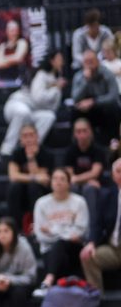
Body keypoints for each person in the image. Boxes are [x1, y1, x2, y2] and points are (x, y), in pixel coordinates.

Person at [0, 49, 66, 157]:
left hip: (33, 111)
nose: (62, 62)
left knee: (49, 116)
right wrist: (55, 89)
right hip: (17, 105)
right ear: (52, 61)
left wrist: (56, 88)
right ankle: (6, 150)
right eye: (59, 59)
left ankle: (31, 147)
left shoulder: (57, 79)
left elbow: (53, 107)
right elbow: (38, 98)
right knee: (23, 112)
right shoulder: (41, 74)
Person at [33, 168, 89, 295]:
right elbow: (40, 235)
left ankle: (48, 281)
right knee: (58, 248)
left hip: (73, 248)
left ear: (69, 183)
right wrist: (66, 233)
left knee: (61, 245)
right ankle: (55, 282)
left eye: (62, 179)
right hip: (49, 248)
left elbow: (81, 230)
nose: (58, 182)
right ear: (50, 182)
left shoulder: (79, 202)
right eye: (55, 179)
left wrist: (52, 230)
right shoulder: (41, 203)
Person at [80, 158, 121, 291]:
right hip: (114, 248)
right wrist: (91, 242)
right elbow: (97, 223)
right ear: (113, 175)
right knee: (88, 256)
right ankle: (95, 297)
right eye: (118, 171)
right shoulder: (107, 195)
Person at [6, 123, 53, 230]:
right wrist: (34, 178)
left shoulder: (46, 154)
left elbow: (44, 179)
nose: (28, 139)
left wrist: (31, 158)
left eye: (31, 135)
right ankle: (16, 228)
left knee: (33, 186)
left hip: (41, 192)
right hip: (21, 194)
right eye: (25, 136)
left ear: (37, 136)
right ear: (20, 139)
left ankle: (36, 225)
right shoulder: (17, 153)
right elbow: (13, 176)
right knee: (14, 187)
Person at [65, 118, 107, 228]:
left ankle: (92, 227)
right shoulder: (70, 151)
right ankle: (72, 225)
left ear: (90, 132)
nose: (82, 135)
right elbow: (69, 175)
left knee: (89, 189)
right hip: (78, 185)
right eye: (78, 131)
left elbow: (95, 173)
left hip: (95, 185)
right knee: (72, 188)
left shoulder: (98, 150)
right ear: (74, 134)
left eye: (84, 130)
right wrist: (81, 180)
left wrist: (77, 179)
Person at [72, 50, 121, 142]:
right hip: (87, 110)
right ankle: (78, 143)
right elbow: (75, 98)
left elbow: (114, 96)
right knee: (75, 110)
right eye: (86, 62)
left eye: (91, 61)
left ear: (98, 61)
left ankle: (113, 141)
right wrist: (86, 81)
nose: (89, 64)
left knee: (113, 108)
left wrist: (94, 101)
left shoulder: (107, 74)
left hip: (103, 106)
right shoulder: (78, 76)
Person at [0, 20, 29, 90]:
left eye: (16, 30)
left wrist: (4, 59)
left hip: (19, 81)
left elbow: (18, 58)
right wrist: (13, 59)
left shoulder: (22, 42)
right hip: (4, 81)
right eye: (12, 30)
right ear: (7, 31)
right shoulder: (2, 45)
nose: (14, 33)